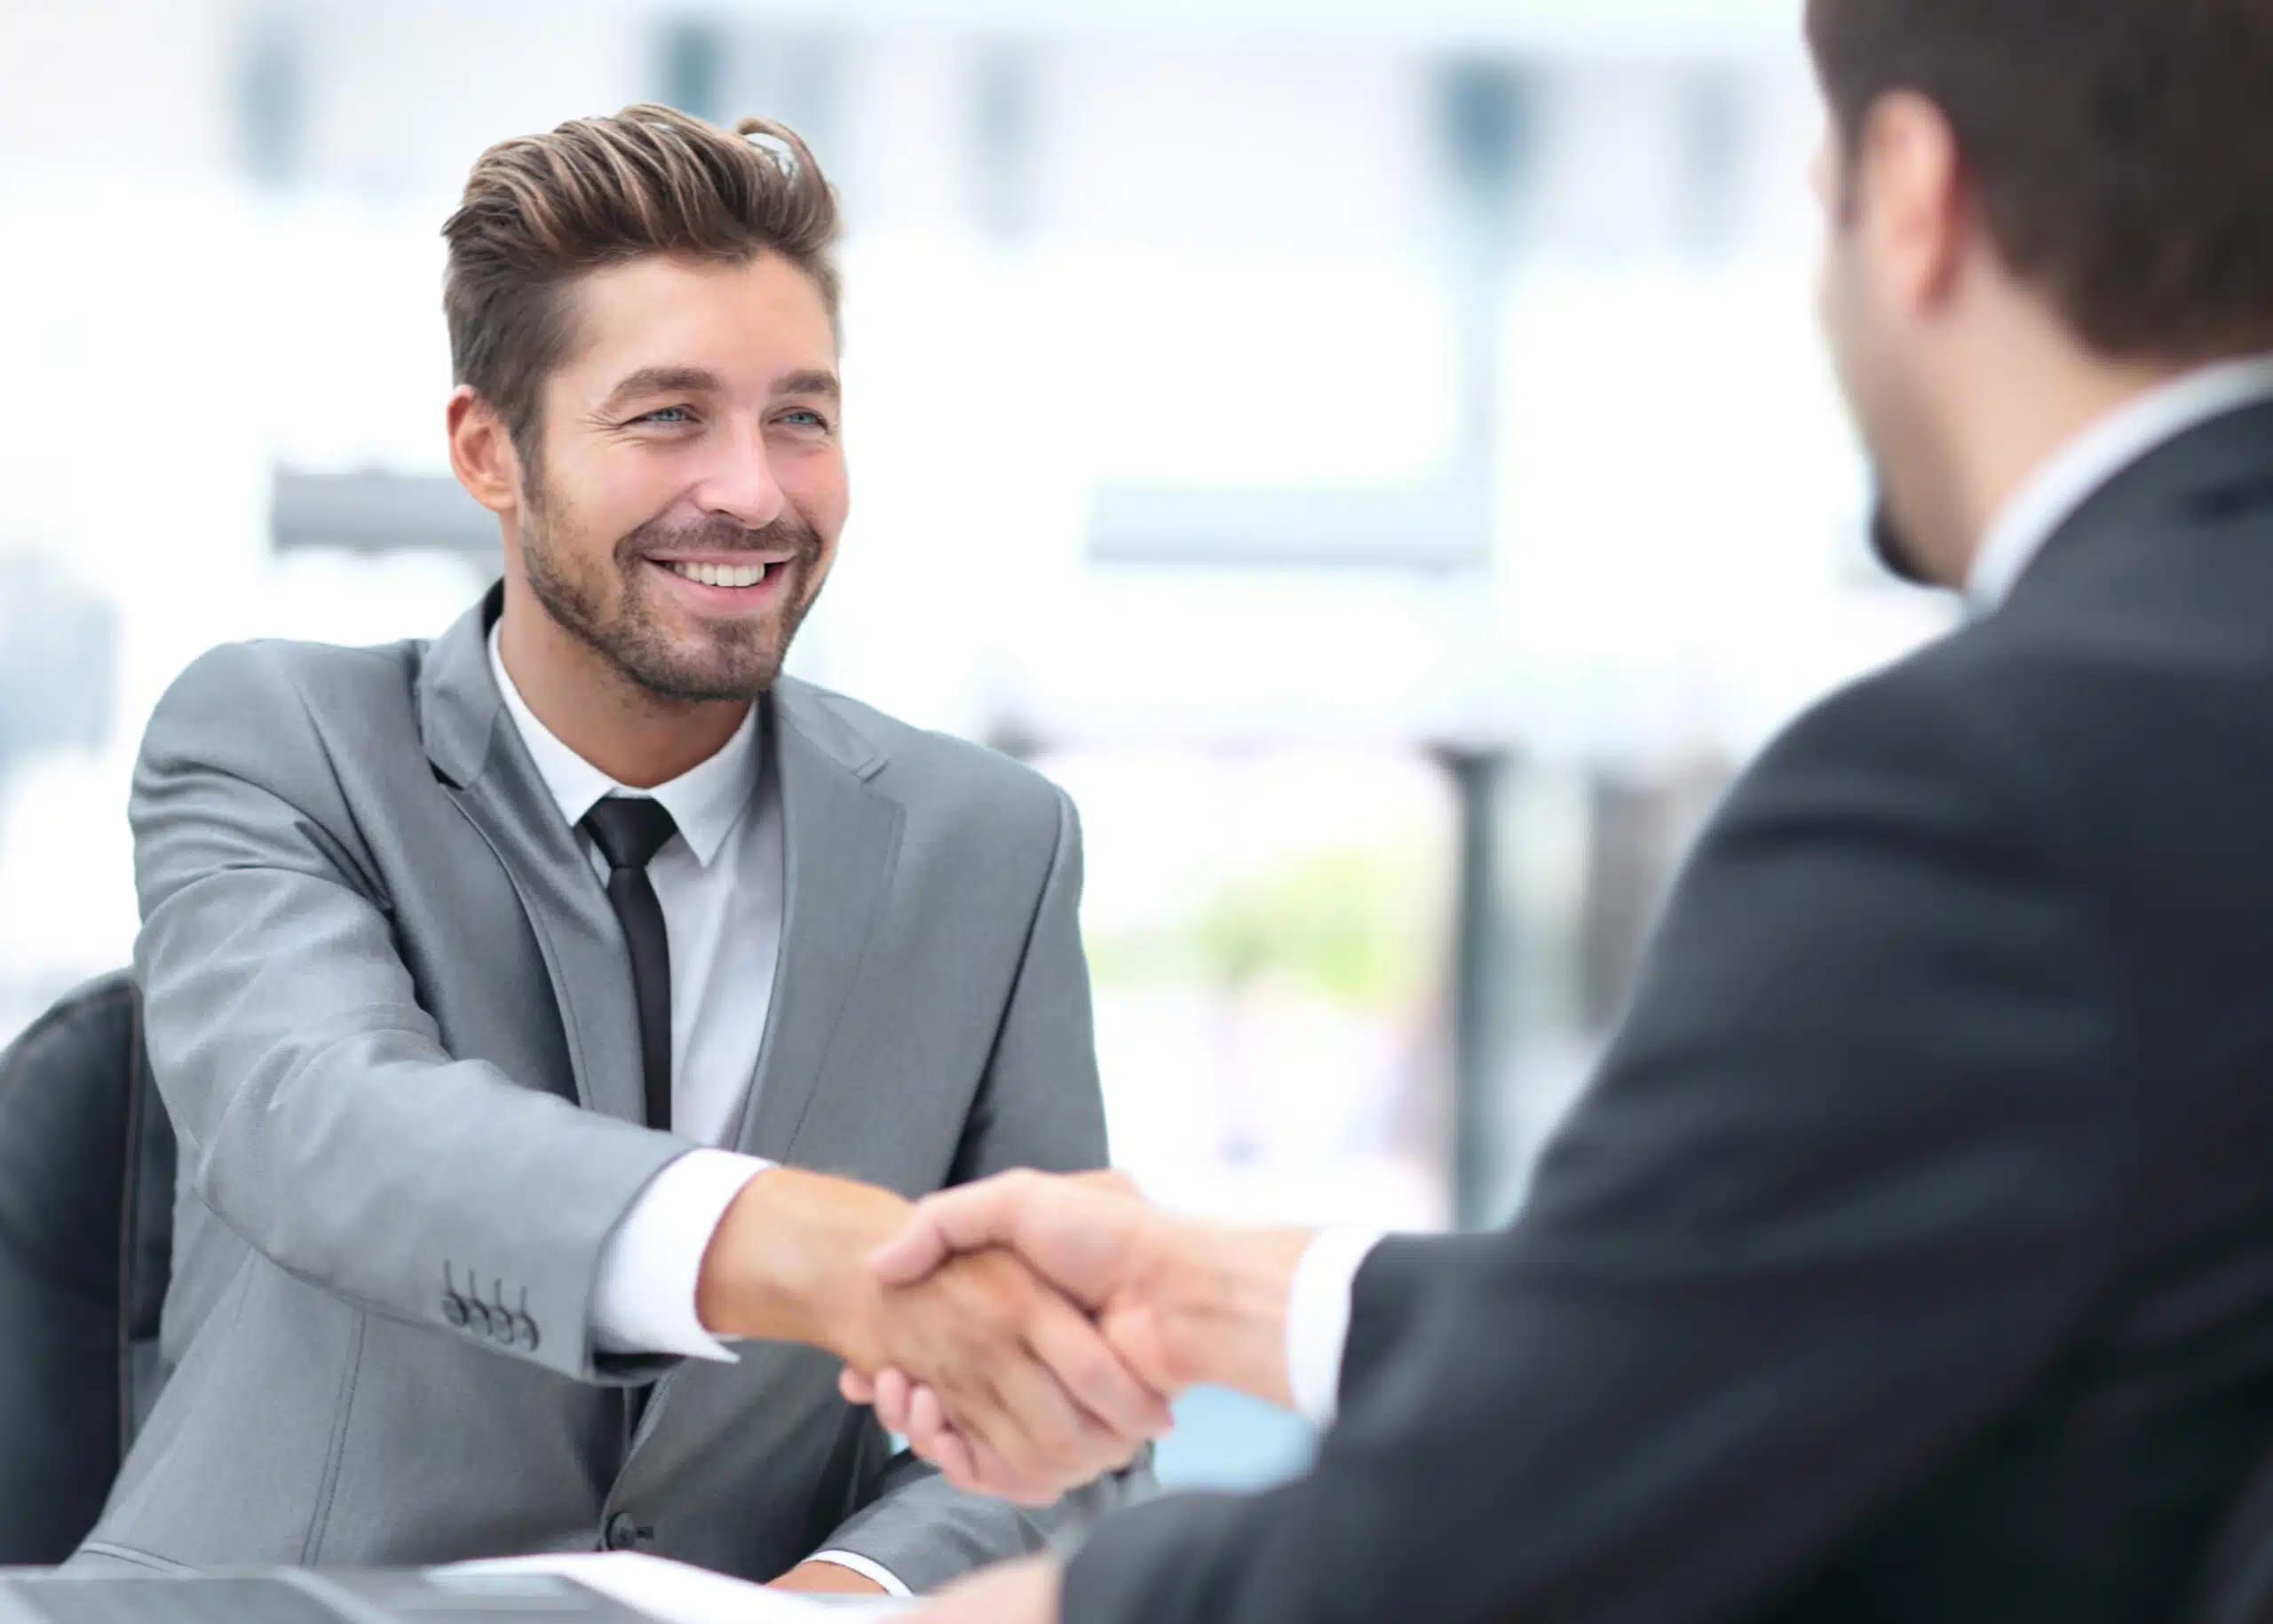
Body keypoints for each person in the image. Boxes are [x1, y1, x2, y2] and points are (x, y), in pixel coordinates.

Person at [850, 0, 2273, 1618]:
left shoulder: (1992, 785)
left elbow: (1440, 1574)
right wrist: (1234, 1295)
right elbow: (1801, 1314)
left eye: (1821, 200)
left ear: (1911, 190)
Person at [74, 105, 1156, 1594]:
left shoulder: (990, 846)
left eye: (801, 415)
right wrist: (812, 1251)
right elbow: (323, 1128)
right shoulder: (281, 737)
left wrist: (851, 1595)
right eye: (668, 416)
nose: (755, 492)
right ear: (488, 450)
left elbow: (1074, 1417)